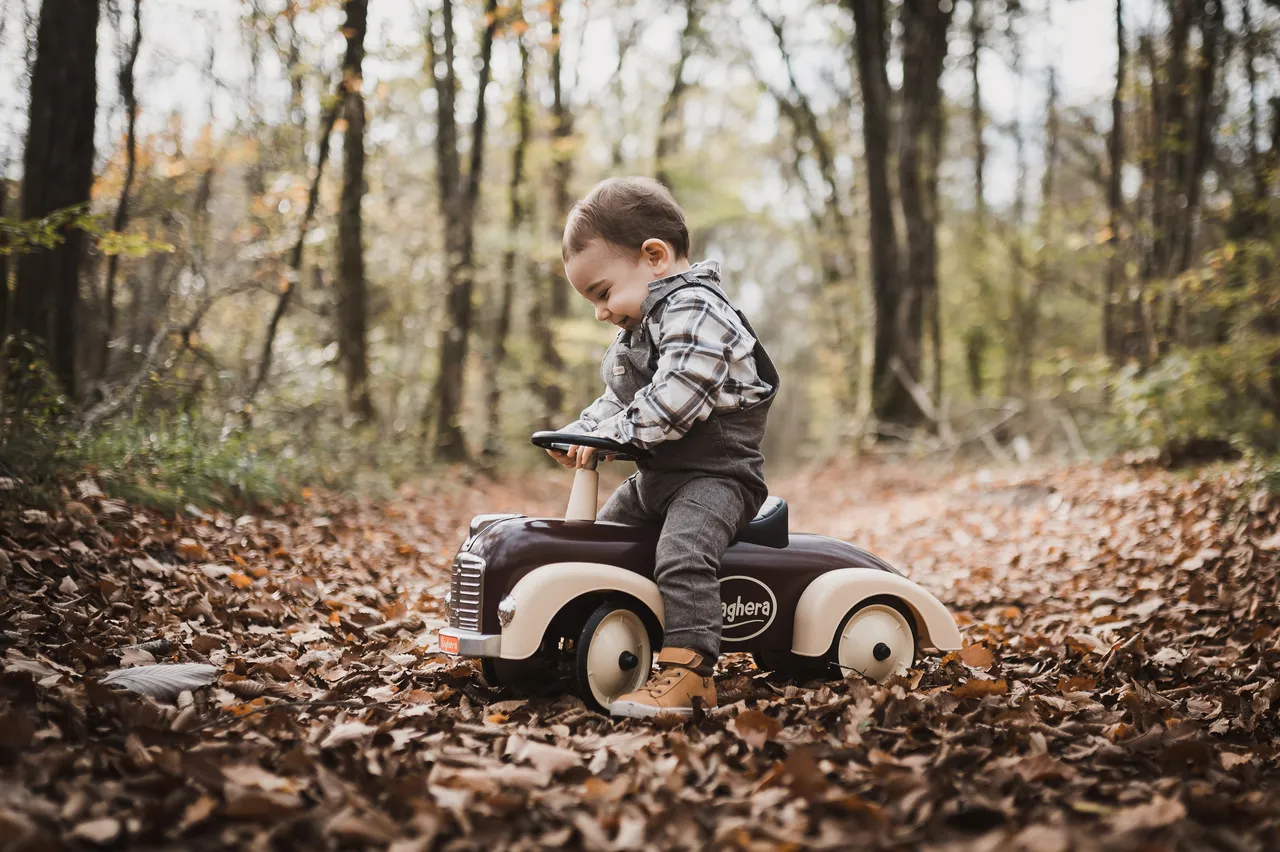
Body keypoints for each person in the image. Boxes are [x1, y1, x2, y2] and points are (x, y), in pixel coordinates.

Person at [549, 176, 779, 718]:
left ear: (654, 256)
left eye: (602, 293)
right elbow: (619, 399)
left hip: (718, 477)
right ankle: (594, 637)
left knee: (682, 553)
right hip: (658, 480)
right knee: (603, 544)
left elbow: (674, 401)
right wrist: (583, 433)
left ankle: (688, 670)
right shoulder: (641, 328)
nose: (600, 313)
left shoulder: (698, 312)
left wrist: (616, 435)